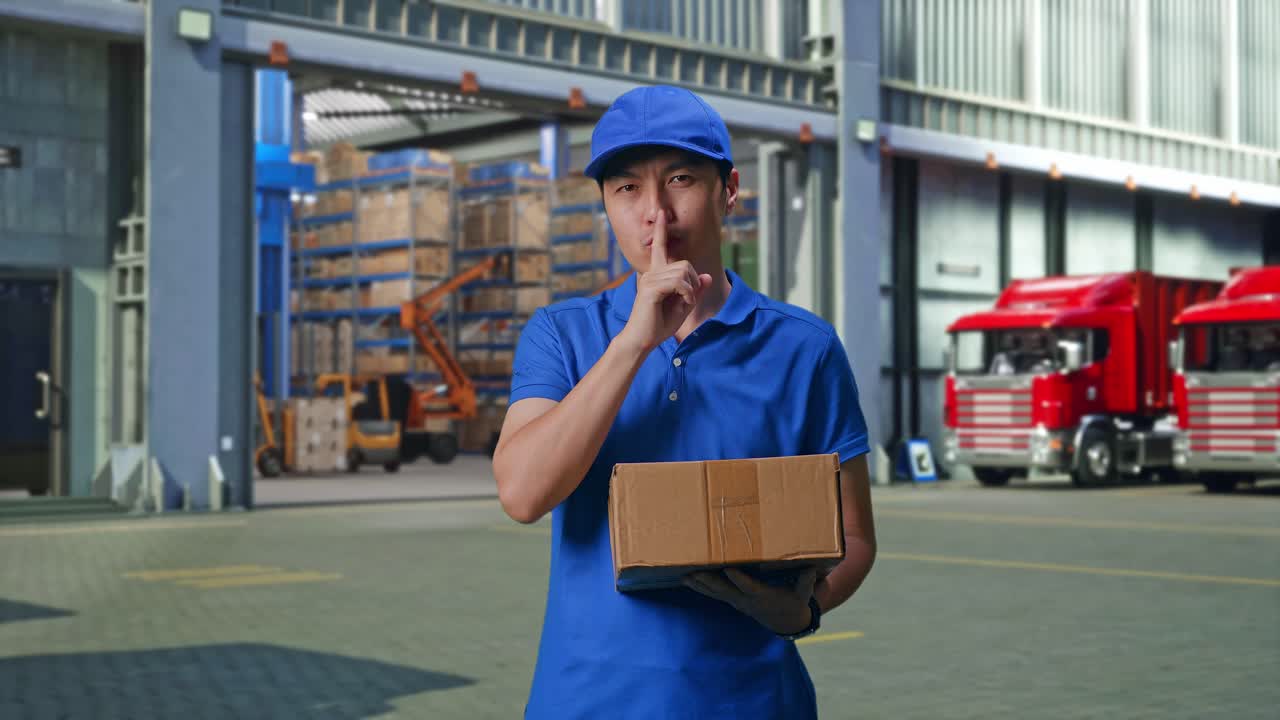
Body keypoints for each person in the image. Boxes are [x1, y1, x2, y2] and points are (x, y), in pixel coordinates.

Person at [492, 85, 878, 719]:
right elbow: (523, 495)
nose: (655, 214)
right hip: (587, 700)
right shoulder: (562, 335)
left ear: (729, 190)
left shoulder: (804, 349)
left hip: (750, 701)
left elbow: (856, 534)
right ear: (606, 205)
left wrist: (807, 608)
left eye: (679, 180)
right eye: (627, 189)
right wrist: (633, 343)